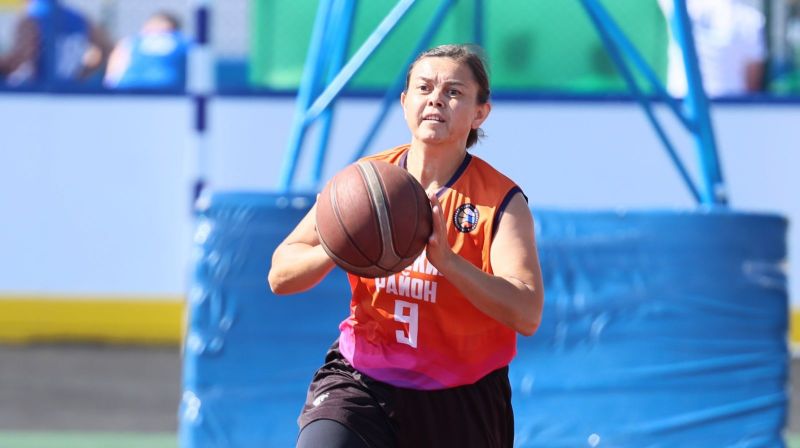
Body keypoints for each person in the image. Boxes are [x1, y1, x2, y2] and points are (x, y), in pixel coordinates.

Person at [268, 44, 545, 448]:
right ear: (404, 102)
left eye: (453, 91)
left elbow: (527, 312)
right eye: (424, 88)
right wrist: (338, 244)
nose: (436, 99)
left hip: (461, 396)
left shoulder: (500, 201)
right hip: (363, 379)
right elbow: (279, 275)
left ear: (480, 113)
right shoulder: (364, 185)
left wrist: (448, 262)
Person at [659, 0, 767, 97]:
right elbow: (752, 81)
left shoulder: (752, 20)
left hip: (684, 103)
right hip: (732, 106)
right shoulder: (752, 19)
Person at [0, 0, 110, 86]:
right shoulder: (79, 19)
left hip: (37, 95)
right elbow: (105, 49)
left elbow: (19, 58)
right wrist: (79, 76)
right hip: (68, 94)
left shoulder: (32, 19)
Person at [103, 11, 190, 91]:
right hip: (168, 89)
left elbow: (113, 71)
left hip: (129, 88)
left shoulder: (131, 41)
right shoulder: (184, 42)